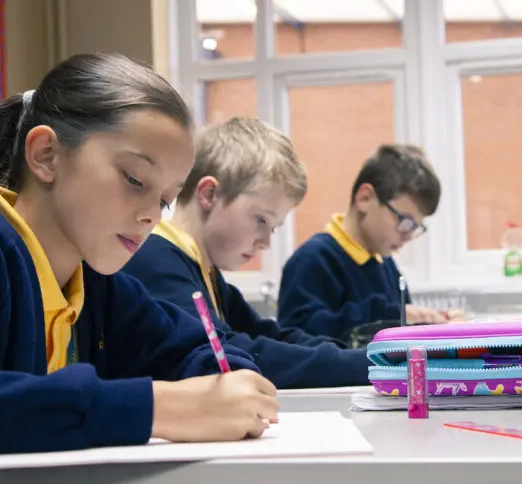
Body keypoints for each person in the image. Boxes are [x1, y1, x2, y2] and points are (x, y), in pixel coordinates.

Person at [0, 53, 278, 484]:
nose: (152, 215)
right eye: (133, 179)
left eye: (165, 199)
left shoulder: (93, 284)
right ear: (47, 154)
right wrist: (155, 408)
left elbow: (200, 347)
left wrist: (228, 385)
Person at [122, 116, 371, 389]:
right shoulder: (155, 261)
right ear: (209, 195)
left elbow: (269, 335)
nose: (265, 242)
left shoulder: (203, 269)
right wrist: (361, 364)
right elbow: (237, 353)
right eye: (261, 220)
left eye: (273, 228)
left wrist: (356, 356)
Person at [278, 144, 461, 341]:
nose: (408, 235)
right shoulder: (312, 261)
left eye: (416, 227)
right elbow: (297, 339)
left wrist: (432, 323)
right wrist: (388, 317)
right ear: (365, 198)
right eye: (405, 221)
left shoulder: (386, 264)